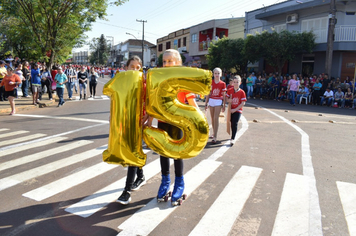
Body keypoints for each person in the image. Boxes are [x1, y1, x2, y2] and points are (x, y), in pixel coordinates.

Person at [156, 49, 198, 206]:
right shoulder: (159, 79)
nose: (167, 64)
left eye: (170, 61)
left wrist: (199, 120)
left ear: (178, 63)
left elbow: (192, 102)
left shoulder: (182, 80)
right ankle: (165, 181)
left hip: (178, 122)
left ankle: (179, 182)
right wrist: (149, 119)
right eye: (164, 61)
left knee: (177, 152)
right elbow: (154, 101)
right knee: (163, 152)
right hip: (162, 120)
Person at [116, 56, 147, 205]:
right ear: (126, 67)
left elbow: (149, 101)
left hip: (139, 122)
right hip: (125, 122)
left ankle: (126, 191)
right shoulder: (122, 81)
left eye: (137, 67)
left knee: (132, 155)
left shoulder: (144, 82)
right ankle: (140, 176)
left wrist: (148, 118)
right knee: (131, 151)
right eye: (132, 66)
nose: (135, 69)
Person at [204, 67, 226, 144]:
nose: (217, 75)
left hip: (218, 101)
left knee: (216, 118)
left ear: (221, 74)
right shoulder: (210, 82)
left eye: (218, 73)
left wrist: (224, 104)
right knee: (213, 118)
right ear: (213, 74)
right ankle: (214, 133)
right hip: (211, 100)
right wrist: (206, 103)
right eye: (215, 73)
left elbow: (223, 95)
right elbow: (208, 94)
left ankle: (215, 136)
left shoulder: (223, 83)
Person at [226, 75, 246, 146]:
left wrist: (235, 109)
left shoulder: (242, 92)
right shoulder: (230, 90)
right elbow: (226, 98)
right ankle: (232, 134)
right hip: (231, 109)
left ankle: (233, 138)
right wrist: (228, 100)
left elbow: (243, 103)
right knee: (231, 122)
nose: (235, 83)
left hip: (237, 110)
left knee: (235, 123)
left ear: (240, 83)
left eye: (237, 82)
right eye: (234, 82)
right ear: (232, 83)